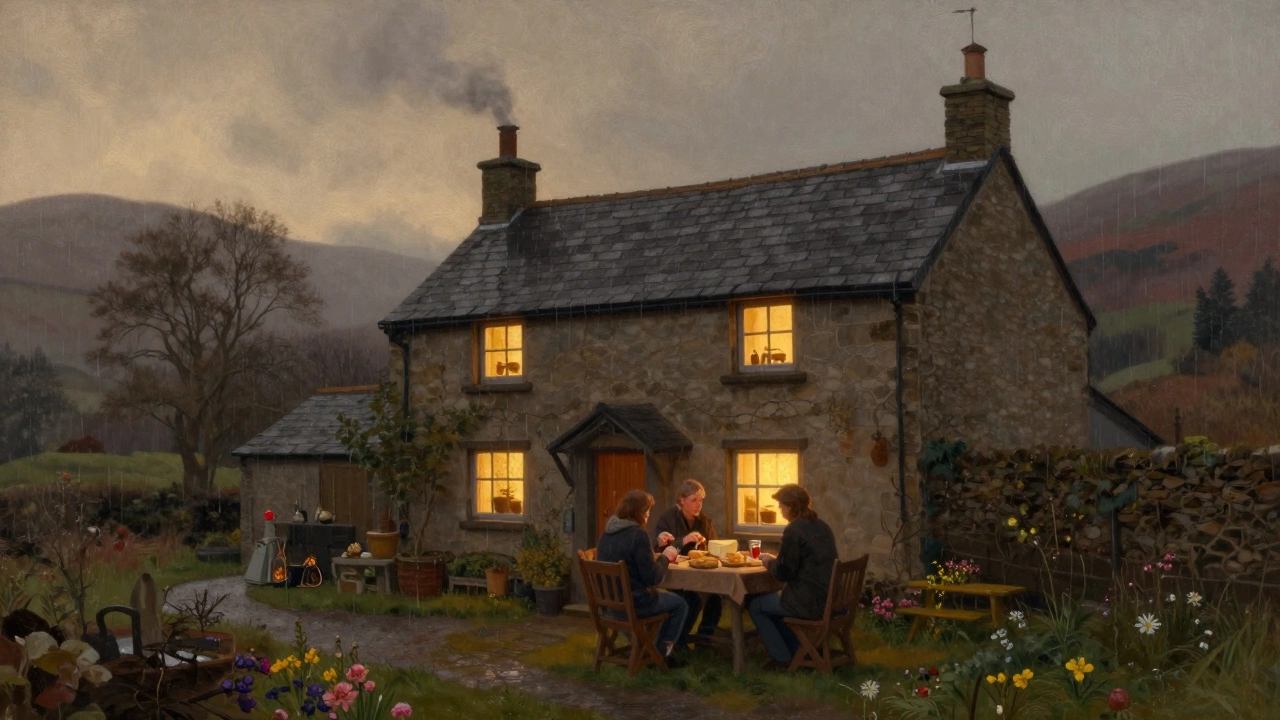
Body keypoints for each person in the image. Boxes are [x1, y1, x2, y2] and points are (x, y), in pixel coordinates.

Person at [748, 484, 837, 670]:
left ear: (791, 506)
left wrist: (768, 562)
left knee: (756, 604)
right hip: (830, 598)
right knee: (774, 606)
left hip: (809, 603)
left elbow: (784, 573)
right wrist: (777, 560)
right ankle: (798, 651)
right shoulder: (822, 526)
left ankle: (782, 659)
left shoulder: (794, 530)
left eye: (781, 505)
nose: (780, 510)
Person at [596, 489, 690, 667]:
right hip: (634, 604)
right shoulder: (638, 534)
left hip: (609, 605)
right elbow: (653, 577)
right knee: (680, 604)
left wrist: (655, 548)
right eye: (647, 513)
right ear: (639, 513)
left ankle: (650, 649)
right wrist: (666, 557)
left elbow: (631, 561)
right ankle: (660, 655)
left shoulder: (607, 533)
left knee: (667, 600)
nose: (647, 517)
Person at [652, 479, 723, 646]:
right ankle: (679, 641)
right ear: (681, 500)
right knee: (692, 597)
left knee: (716, 596)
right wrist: (682, 541)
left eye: (701, 500)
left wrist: (705, 543)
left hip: (700, 572)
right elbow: (658, 550)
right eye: (694, 500)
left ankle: (705, 638)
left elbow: (714, 545)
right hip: (675, 576)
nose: (698, 505)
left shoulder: (703, 520)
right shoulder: (668, 519)